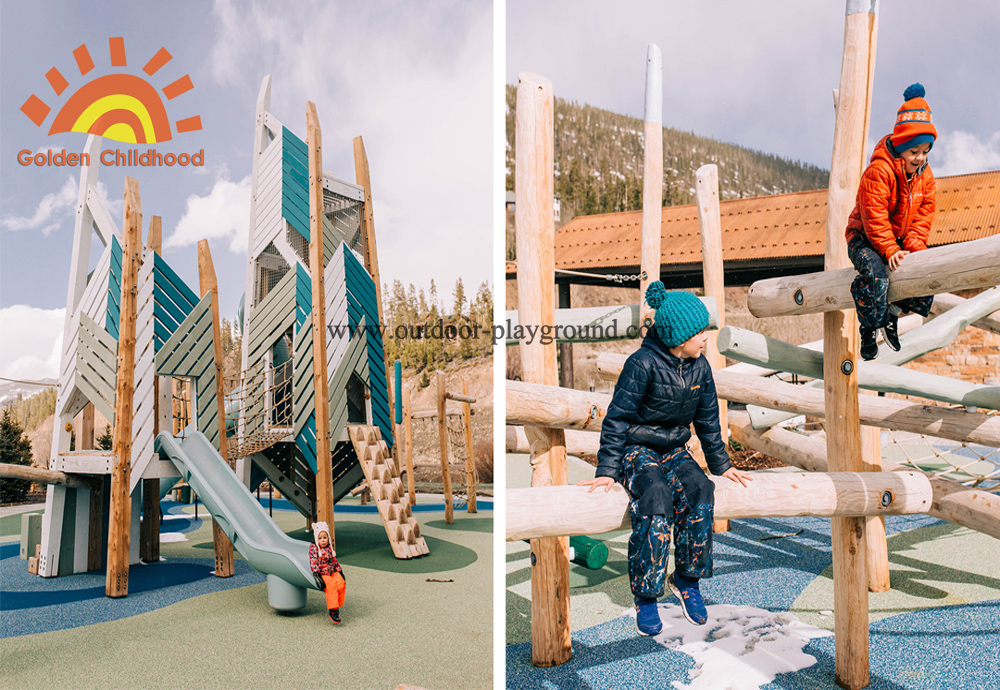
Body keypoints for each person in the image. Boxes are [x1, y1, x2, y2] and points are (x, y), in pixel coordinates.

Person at [579, 283, 752, 635]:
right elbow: (617, 420)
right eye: (700, 332)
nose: (705, 338)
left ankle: (687, 580)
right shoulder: (641, 365)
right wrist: (607, 471)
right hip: (635, 449)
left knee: (700, 489)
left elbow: (707, 421)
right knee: (655, 496)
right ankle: (646, 595)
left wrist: (722, 465)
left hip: (674, 449)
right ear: (679, 336)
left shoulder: (700, 367)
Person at [846, 82, 937, 361]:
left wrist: (913, 245)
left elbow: (923, 214)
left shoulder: (925, 175)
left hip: (896, 239)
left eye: (925, 151)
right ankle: (869, 327)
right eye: (914, 152)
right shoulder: (879, 171)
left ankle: (892, 314)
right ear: (900, 147)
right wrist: (888, 249)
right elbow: (873, 216)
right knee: (875, 275)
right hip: (865, 237)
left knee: (925, 271)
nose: (920, 158)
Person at [309, 521, 346, 623]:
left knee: (341, 583)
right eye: (320, 538)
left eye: (325, 538)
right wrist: (316, 573)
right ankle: (333, 610)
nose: (323, 540)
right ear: (317, 539)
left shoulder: (329, 548)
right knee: (330, 586)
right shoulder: (315, 549)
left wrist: (339, 570)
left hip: (331, 571)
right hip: (322, 573)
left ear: (328, 538)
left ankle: (337, 604)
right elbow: (313, 561)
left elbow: (334, 561)